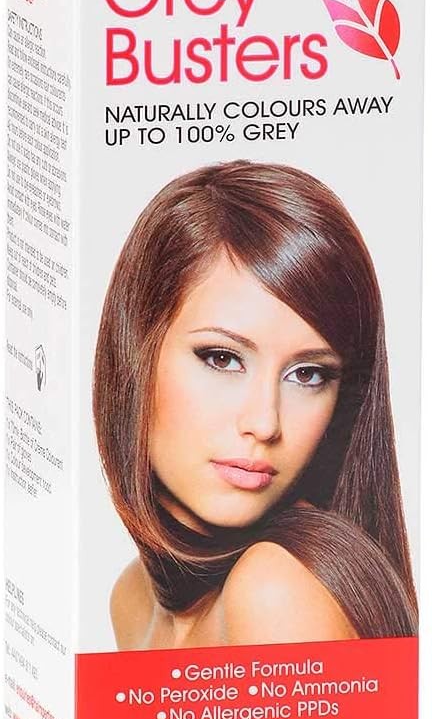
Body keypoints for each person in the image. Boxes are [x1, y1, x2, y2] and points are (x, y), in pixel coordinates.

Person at [93, 160, 418, 649]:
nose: (265, 423)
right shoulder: (133, 597)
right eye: (222, 358)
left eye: (307, 374)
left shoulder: (277, 587)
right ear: (135, 350)